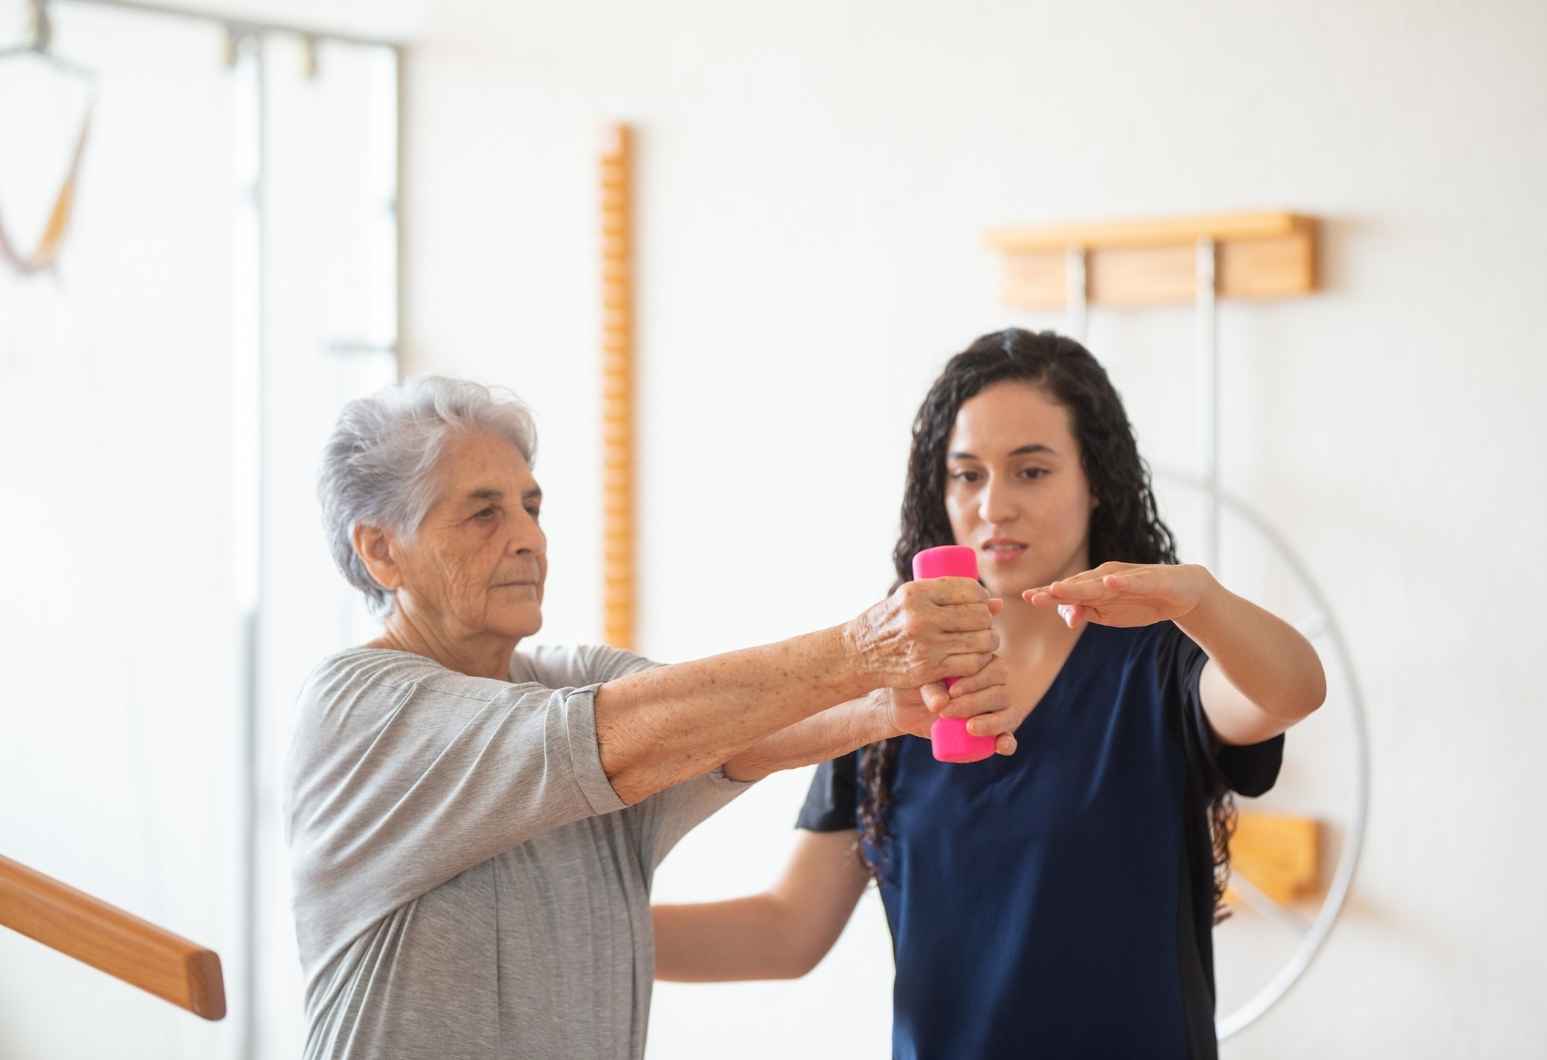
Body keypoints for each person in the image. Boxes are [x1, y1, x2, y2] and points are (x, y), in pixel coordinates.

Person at [284, 376, 1019, 1060]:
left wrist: (883, 707)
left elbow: (721, 732)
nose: (529, 539)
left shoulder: (574, 679)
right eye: (484, 512)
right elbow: (605, 740)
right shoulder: (356, 709)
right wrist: (862, 652)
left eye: (531, 508)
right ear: (382, 551)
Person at [652, 328, 1327, 1060]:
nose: (993, 506)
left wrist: (1198, 598)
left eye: (1031, 472)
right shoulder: (894, 695)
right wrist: (582, 925)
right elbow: (786, 930)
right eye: (967, 475)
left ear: (1094, 480)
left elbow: (1291, 690)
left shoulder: (1161, 665)